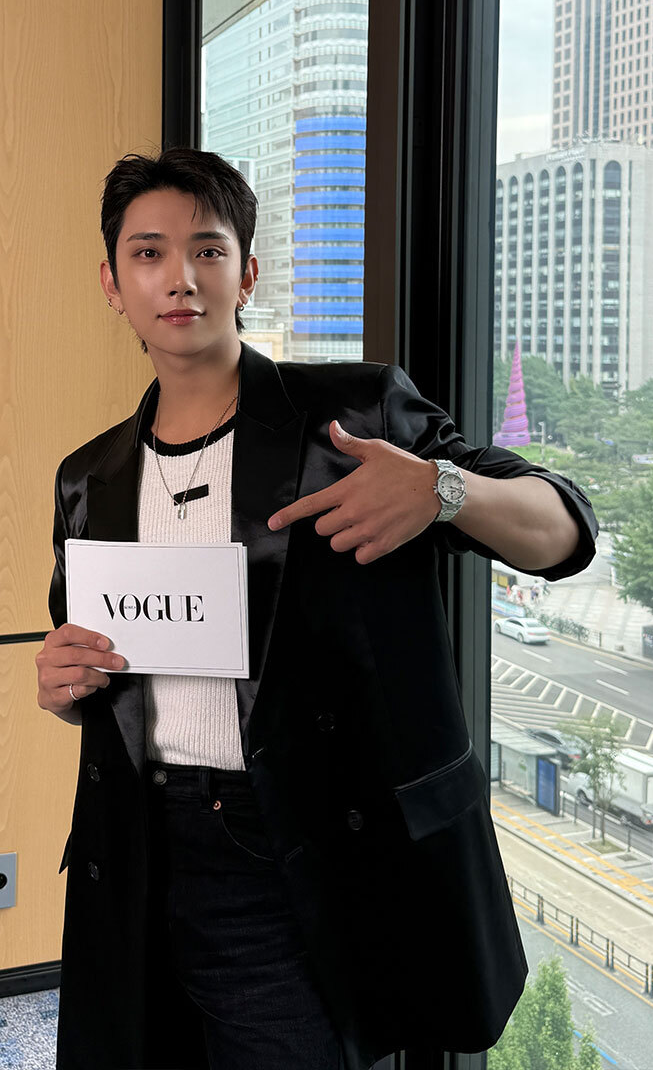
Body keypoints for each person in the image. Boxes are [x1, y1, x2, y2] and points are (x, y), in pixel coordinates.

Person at [35, 148, 598, 1070]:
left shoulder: (351, 419)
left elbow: (564, 529)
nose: (179, 278)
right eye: (148, 253)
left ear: (247, 272)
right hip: (136, 849)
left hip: (295, 844)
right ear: (112, 284)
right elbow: (98, 673)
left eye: (207, 250)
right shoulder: (88, 477)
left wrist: (443, 491)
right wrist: (64, 687)